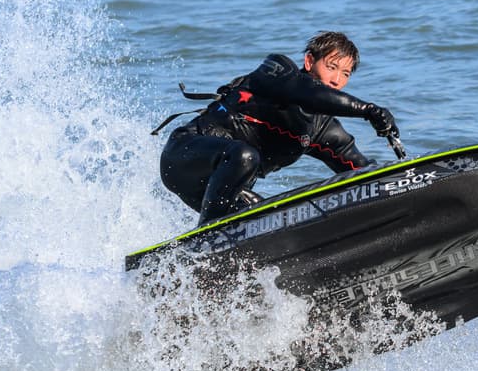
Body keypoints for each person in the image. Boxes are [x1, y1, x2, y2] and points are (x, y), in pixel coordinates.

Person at [158, 31, 398, 226]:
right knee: (244, 155)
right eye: (332, 67)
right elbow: (309, 94)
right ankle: (207, 238)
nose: (337, 80)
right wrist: (367, 109)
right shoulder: (277, 72)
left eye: (345, 73)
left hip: (224, 190)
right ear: (309, 61)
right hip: (184, 157)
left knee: (270, 223)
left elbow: (363, 173)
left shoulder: (323, 128)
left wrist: (408, 182)